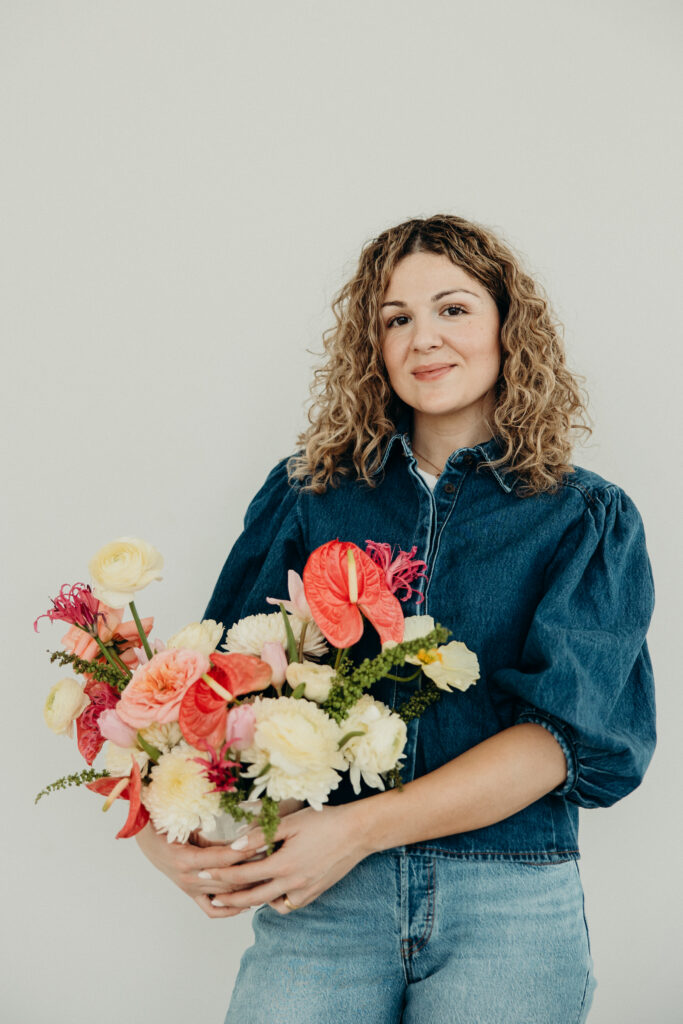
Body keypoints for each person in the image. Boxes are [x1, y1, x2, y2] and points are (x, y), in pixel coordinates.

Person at [135, 214, 656, 1023]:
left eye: (453, 309)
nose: (424, 339)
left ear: (507, 328)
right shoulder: (309, 494)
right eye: (396, 318)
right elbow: (213, 695)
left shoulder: (584, 517)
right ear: (370, 345)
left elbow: (561, 740)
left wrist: (356, 829)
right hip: (325, 901)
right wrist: (159, 832)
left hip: (508, 902)